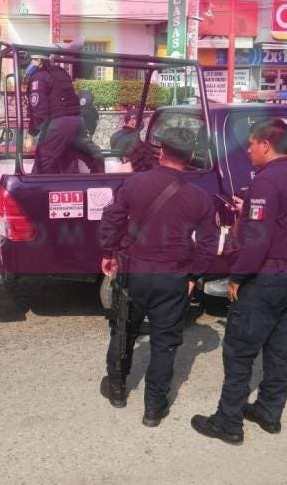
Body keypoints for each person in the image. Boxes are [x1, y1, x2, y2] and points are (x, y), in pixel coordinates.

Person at [192, 118, 287, 445]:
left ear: (266, 145)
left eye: (251, 145)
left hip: (265, 279)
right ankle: (269, 412)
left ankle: (227, 422)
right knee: (276, 349)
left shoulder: (266, 181)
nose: (248, 151)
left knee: (239, 351)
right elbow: (282, 216)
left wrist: (237, 276)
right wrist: (249, 209)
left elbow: (258, 241)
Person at [97, 127, 218, 426]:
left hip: (134, 271)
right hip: (173, 277)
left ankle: (117, 389)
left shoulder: (134, 183)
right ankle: (153, 407)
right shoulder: (200, 198)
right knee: (165, 342)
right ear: (190, 157)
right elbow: (208, 243)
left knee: (124, 329)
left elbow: (112, 218)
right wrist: (194, 276)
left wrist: (108, 252)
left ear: (161, 152)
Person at [26, 57, 105, 174]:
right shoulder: (62, 72)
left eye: (32, 60)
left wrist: (32, 133)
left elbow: (39, 109)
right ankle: (96, 180)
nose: (30, 63)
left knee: (42, 163)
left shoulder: (39, 77)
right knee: (70, 161)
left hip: (59, 124)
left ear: (39, 60)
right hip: (77, 121)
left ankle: (37, 186)